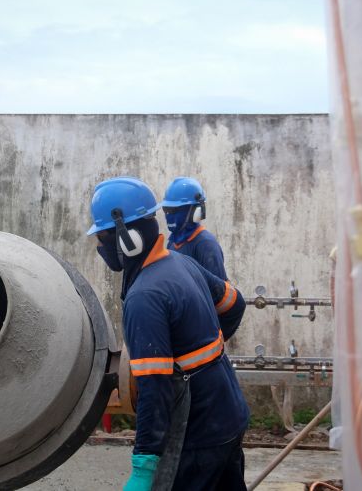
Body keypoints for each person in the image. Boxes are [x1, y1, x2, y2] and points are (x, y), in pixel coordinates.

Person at [87, 176, 249, 491]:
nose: (100, 246)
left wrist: (143, 467)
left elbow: (155, 388)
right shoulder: (180, 262)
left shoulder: (145, 296)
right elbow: (234, 303)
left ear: (127, 238)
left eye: (104, 237)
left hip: (198, 434)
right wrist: (209, 353)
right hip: (229, 413)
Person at [161, 177, 228, 280]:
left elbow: (220, 291)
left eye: (175, 210)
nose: (169, 215)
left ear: (196, 211)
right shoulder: (173, 242)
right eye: (166, 210)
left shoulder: (205, 244)